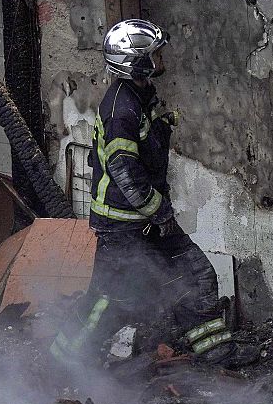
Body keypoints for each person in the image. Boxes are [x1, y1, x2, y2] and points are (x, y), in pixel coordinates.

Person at [51, 19, 252, 369]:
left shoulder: (141, 96)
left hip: (147, 221)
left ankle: (216, 351)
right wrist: (161, 213)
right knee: (110, 301)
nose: (161, 57)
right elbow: (124, 172)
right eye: (154, 54)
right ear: (136, 63)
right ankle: (64, 362)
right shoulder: (122, 110)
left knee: (196, 275)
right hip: (123, 227)